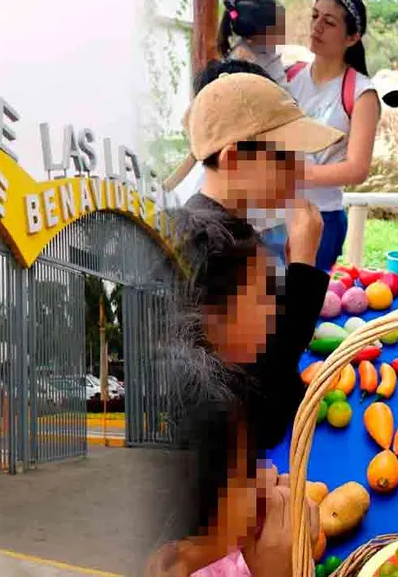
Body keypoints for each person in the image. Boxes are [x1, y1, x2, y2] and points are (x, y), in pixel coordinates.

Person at [145, 72, 341, 575]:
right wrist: (303, 267)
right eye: (285, 155)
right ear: (234, 158)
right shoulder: (207, 248)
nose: (299, 170)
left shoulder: (219, 232)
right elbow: (261, 396)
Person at [261, 0, 381, 271]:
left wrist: (295, 173)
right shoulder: (288, 76)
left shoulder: (361, 93)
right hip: (272, 215)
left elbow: (357, 169)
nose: (317, 27)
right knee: (266, 306)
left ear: (352, 37)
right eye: (315, 16)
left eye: (329, 22)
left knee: (304, 307)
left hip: (321, 218)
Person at [168, 0, 288, 206]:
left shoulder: (266, 55)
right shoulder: (242, 67)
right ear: (254, 35)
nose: (282, 34)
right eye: (277, 29)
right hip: (237, 166)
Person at [218, 0, 287, 84]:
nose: (279, 39)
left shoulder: (267, 56)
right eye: (274, 32)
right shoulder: (236, 69)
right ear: (250, 38)